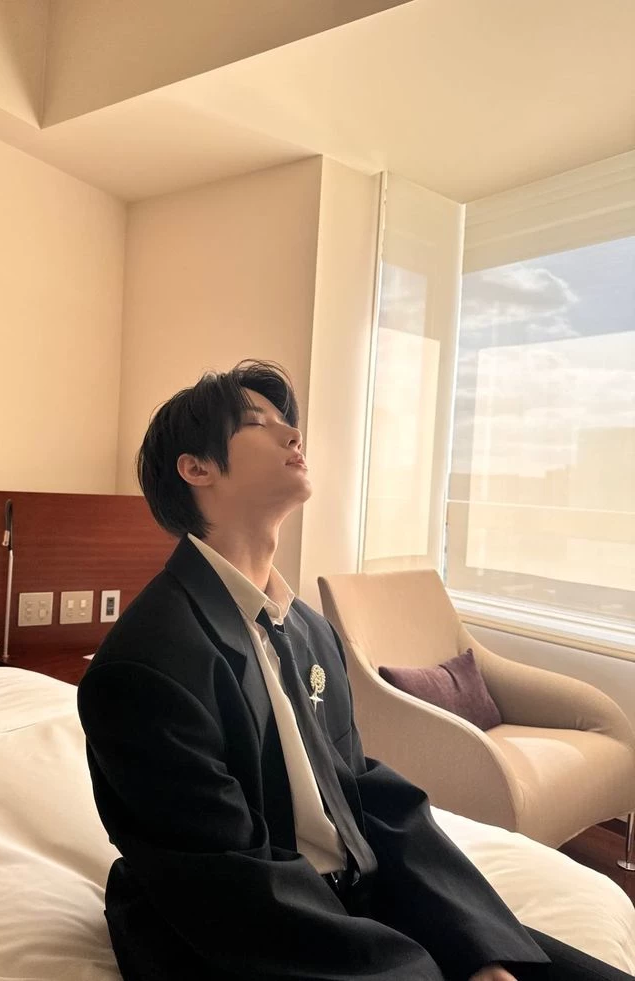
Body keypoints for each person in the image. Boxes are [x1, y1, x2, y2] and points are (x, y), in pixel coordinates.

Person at [78, 360, 632, 981]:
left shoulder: (310, 631)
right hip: (249, 936)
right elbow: (226, 883)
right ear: (196, 468)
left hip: (353, 896)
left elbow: (360, 790)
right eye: (259, 423)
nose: (294, 435)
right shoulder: (145, 664)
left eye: (290, 423)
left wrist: (479, 947)